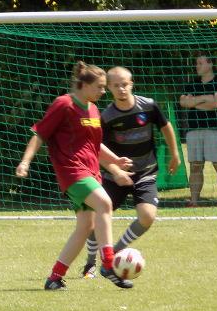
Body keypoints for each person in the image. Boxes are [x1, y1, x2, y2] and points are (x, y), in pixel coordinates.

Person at [16, 61, 135, 290]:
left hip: (91, 171)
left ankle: (55, 278)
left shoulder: (93, 109)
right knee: (105, 203)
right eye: (99, 87)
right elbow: (39, 134)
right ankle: (108, 264)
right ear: (84, 85)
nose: (103, 91)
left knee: (85, 226)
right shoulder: (64, 104)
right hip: (71, 170)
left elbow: (95, 146)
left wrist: (116, 162)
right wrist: (25, 161)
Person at [81, 67, 181, 277]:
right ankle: (90, 263)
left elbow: (166, 127)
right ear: (109, 88)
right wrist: (116, 171)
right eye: (116, 85)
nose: (121, 89)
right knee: (96, 219)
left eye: (125, 84)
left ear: (132, 84)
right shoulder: (106, 116)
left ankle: (113, 255)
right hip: (114, 176)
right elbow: (98, 149)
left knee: (147, 216)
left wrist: (174, 154)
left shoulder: (149, 105)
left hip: (145, 172)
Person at [179, 54, 217, 207]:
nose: (197, 66)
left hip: (215, 129)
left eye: (200, 63)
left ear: (210, 64)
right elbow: (184, 102)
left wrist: (195, 101)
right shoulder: (192, 83)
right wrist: (206, 98)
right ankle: (194, 201)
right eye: (196, 63)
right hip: (194, 130)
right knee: (195, 166)